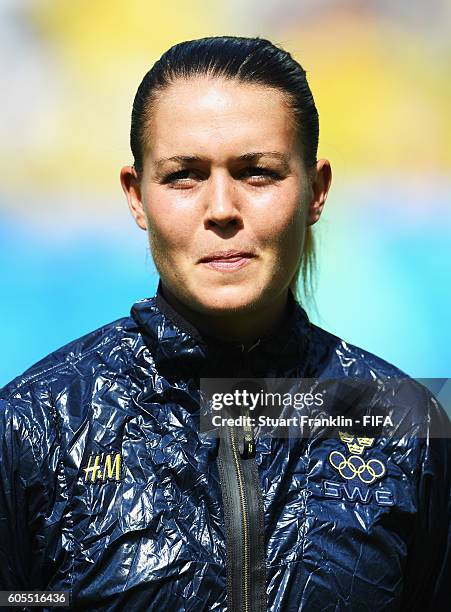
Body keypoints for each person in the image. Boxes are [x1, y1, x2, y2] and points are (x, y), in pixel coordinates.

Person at [0, 36, 449, 612]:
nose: (220, 209)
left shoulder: (406, 424)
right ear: (136, 197)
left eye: (257, 172)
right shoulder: (34, 427)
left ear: (317, 190)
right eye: (184, 175)